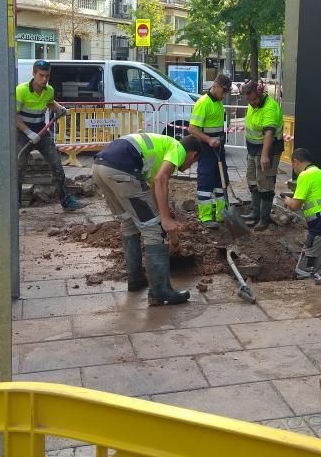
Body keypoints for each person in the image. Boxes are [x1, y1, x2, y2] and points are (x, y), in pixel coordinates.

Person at [92, 132, 203, 305]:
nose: (188, 166)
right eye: (192, 163)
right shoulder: (178, 148)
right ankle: (161, 291)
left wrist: (163, 211)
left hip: (100, 168)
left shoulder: (161, 148)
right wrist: (164, 220)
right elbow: (161, 180)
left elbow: (152, 187)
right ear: (193, 154)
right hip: (122, 170)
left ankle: (136, 279)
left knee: (129, 222)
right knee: (154, 229)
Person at [16, 60, 79, 211]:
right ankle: (14, 203)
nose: (44, 79)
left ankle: (66, 201)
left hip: (42, 132)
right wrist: (28, 132)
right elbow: (14, 115)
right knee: (18, 167)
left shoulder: (49, 90)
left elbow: (49, 103)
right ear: (34, 74)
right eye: (41, 75)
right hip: (22, 133)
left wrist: (59, 108)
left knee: (57, 164)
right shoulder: (21, 90)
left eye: (47, 76)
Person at [284, 148, 321, 280]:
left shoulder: (305, 175)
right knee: (319, 271)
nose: (293, 168)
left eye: (292, 165)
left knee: (303, 271)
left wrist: (288, 200)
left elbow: (295, 206)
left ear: (296, 162)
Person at [186, 74, 231, 229]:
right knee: (206, 180)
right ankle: (205, 217)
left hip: (218, 147)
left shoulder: (218, 103)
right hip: (206, 148)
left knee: (221, 180)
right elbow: (192, 128)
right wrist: (209, 140)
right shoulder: (203, 103)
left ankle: (221, 215)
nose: (224, 95)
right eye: (223, 91)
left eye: (227, 92)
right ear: (215, 86)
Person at [240, 80, 284, 231]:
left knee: (265, 184)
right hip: (253, 149)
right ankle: (255, 213)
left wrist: (265, 155)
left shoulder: (270, 107)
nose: (251, 103)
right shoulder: (254, 104)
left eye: (253, 99)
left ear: (259, 94)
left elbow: (269, 133)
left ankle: (264, 219)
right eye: (248, 100)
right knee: (252, 180)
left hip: (268, 149)